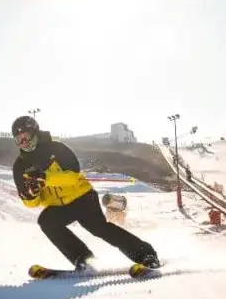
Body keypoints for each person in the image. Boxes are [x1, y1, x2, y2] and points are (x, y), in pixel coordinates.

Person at [11, 115, 159, 271]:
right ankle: (85, 260)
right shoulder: (20, 166)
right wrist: (31, 195)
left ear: (35, 133)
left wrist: (45, 178)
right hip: (59, 207)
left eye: (26, 137)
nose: (24, 142)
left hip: (82, 198)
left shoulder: (57, 149)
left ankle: (145, 254)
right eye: (19, 139)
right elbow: (30, 202)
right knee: (46, 221)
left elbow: (73, 178)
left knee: (99, 229)